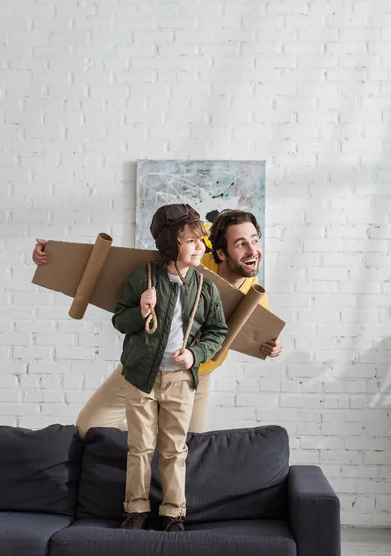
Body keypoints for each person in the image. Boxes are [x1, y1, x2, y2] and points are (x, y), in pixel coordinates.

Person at [32, 209, 283, 435]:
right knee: (90, 426)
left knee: (190, 449)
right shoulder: (197, 252)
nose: (253, 251)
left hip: (194, 374)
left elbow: (264, 335)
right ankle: (145, 442)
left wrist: (273, 346)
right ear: (218, 251)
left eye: (255, 241)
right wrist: (52, 255)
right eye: (241, 244)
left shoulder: (254, 293)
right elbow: (175, 235)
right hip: (147, 364)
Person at [112, 203, 228, 531]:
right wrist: (140, 310)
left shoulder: (206, 287)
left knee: (174, 448)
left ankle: (173, 513)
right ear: (170, 243)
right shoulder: (143, 278)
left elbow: (218, 332)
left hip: (180, 379)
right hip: (140, 377)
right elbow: (120, 321)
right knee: (140, 446)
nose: (201, 247)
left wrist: (194, 355)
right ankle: (135, 510)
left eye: (200, 240)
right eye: (191, 241)